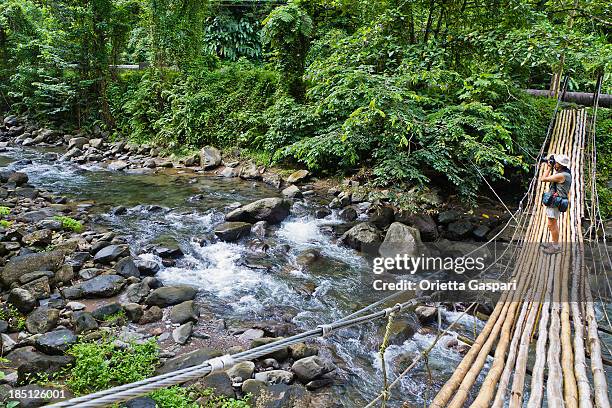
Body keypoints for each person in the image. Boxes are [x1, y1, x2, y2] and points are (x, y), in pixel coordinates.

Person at [540, 154, 572, 254]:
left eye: (556, 163)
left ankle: (555, 247)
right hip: (556, 201)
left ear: (560, 164)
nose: (555, 164)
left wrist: (549, 167)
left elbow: (543, 179)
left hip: (555, 202)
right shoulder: (564, 173)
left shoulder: (561, 175)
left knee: (552, 224)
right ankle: (554, 243)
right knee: (552, 224)